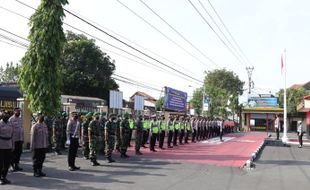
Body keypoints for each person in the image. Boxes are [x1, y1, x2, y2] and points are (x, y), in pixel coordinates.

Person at [0, 112, 14, 184]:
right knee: (0, 163)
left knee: (7, 163)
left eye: (8, 116)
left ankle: (4, 177)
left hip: (8, 145)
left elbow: (12, 135)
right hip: (1, 145)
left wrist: (12, 145)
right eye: (5, 116)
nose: (7, 117)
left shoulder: (10, 123)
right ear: (2, 116)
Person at [9, 108, 23, 172]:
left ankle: (16, 165)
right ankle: (11, 166)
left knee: (18, 153)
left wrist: (22, 138)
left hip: (19, 139)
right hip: (13, 139)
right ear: (14, 111)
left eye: (19, 111)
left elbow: (21, 129)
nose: (19, 112)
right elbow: (9, 130)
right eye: (18, 111)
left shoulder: (20, 119)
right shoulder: (11, 119)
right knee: (12, 153)